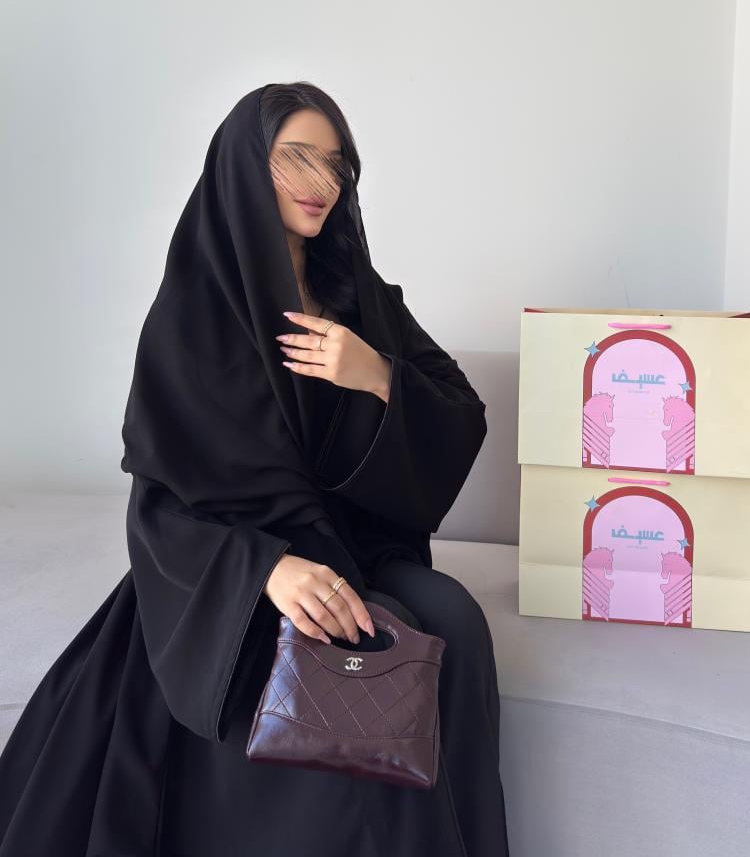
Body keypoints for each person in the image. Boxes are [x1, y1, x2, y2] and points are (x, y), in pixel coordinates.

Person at [0, 81, 510, 856]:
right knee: (341, 666)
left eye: (336, 164)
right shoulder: (193, 313)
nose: (321, 182)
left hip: (356, 547)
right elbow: (160, 502)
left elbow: (460, 411)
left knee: (458, 620)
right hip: (234, 580)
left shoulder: (361, 299)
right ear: (245, 166)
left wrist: (377, 374)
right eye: (296, 157)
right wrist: (268, 569)